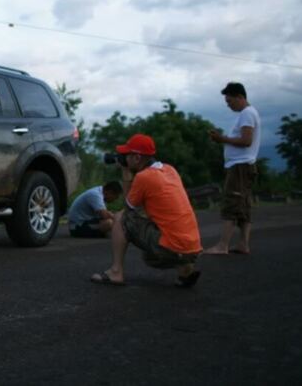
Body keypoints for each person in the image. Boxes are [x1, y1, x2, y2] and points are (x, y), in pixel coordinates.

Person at [90, 134, 203, 288]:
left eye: (126, 155)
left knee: (120, 217)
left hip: (169, 247)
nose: (124, 159)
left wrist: (125, 174)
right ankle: (184, 269)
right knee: (153, 246)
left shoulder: (144, 177)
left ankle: (115, 272)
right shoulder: (170, 169)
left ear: (137, 158)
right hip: (192, 249)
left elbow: (128, 207)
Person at [204, 82, 260, 255]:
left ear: (240, 97)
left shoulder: (247, 114)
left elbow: (246, 141)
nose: (228, 105)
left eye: (230, 101)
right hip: (244, 165)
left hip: (240, 166)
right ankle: (243, 244)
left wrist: (222, 139)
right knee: (243, 204)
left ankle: (223, 245)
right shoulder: (249, 113)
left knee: (232, 202)